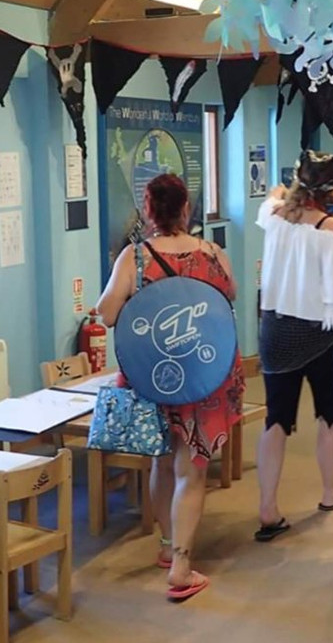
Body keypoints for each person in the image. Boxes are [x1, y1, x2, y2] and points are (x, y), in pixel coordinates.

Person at [97, 173, 245, 602]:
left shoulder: (135, 257)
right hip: (202, 374)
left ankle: (167, 546)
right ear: (186, 209)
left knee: (161, 463)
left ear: (148, 211)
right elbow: (229, 295)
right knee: (191, 468)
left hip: (152, 374)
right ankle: (181, 566)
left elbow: (107, 314)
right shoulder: (211, 254)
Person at [254, 150, 333, 542]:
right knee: (329, 415)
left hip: (275, 329)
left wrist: (285, 190)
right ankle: (331, 492)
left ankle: (267, 507)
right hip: (321, 334)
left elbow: (273, 196)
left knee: (276, 419)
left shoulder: (274, 218)